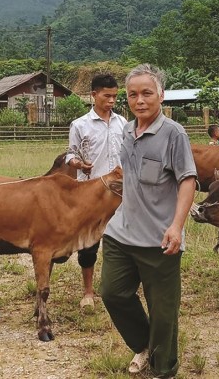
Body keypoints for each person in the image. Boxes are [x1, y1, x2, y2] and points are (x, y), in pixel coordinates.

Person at [100, 63, 197, 379]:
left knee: (163, 312)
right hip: (121, 232)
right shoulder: (127, 130)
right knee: (112, 293)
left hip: (159, 239)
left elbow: (187, 180)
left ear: (161, 95)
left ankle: (163, 369)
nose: (139, 100)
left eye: (146, 93)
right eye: (132, 94)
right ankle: (143, 345)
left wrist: (177, 226)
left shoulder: (173, 134)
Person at [65, 74, 127, 309]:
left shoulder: (123, 123)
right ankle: (88, 291)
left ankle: (118, 287)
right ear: (94, 95)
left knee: (120, 239)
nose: (111, 101)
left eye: (114, 96)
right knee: (89, 242)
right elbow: (70, 154)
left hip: (119, 192)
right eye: (106, 96)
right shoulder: (80, 125)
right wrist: (78, 164)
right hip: (91, 192)